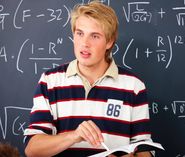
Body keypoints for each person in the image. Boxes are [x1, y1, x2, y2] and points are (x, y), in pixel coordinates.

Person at [24, 1, 153, 156]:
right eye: (80, 33)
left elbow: (144, 149)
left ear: (109, 42)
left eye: (95, 36)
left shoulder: (134, 86)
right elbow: (32, 150)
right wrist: (74, 136)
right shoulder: (50, 81)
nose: (84, 43)